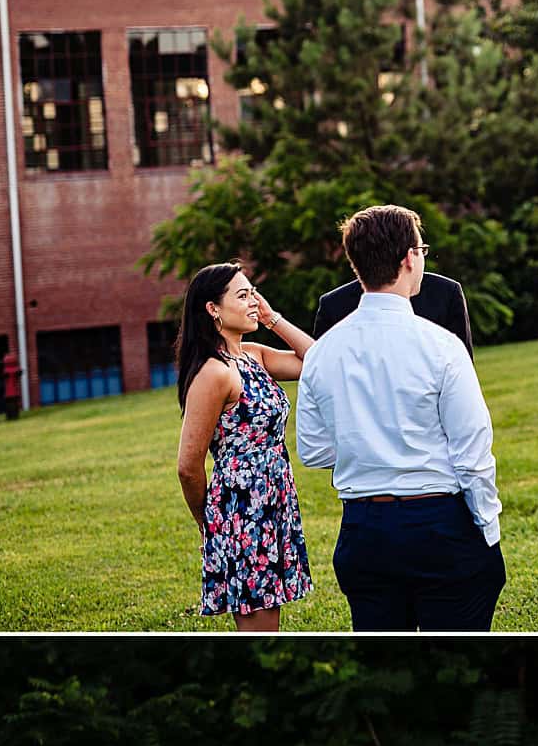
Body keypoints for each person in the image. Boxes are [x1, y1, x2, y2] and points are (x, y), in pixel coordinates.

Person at [295, 204, 503, 631]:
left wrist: (367, 444)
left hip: (363, 530)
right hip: (439, 524)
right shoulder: (441, 346)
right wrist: (487, 528)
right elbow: (472, 450)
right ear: (410, 257)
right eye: (422, 249)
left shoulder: (321, 353)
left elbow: (314, 451)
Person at [174, 262, 316, 631]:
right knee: (259, 623)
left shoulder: (252, 355)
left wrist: (272, 319)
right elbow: (188, 467)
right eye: (243, 295)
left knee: (270, 616)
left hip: (274, 499)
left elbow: (317, 361)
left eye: (254, 292)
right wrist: (212, 525)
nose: (253, 301)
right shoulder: (214, 372)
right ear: (213, 309)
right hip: (242, 509)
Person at [311, 253, 475, 357]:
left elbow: (464, 374)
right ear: (410, 256)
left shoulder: (445, 292)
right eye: (422, 249)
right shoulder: (334, 304)